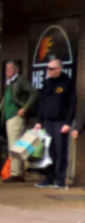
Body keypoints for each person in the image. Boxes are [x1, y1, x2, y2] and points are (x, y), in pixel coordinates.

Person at [0, 60, 39, 183]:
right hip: (9, 118)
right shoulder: (10, 84)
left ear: (17, 70)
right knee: (16, 145)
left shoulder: (20, 81)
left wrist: (25, 108)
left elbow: (34, 92)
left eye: (10, 68)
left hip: (16, 117)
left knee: (15, 146)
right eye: (6, 68)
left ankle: (16, 173)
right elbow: (3, 103)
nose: (7, 70)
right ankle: (19, 172)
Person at [34, 59, 76, 189]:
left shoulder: (67, 83)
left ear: (59, 69)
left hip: (60, 121)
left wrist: (68, 123)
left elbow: (72, 105)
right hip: (47, 121)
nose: (48, 71)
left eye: (51, 69)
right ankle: (49, 177)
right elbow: (42, 103)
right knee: (48, 151)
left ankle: (60, 179)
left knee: (60, 150)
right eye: (47, 68)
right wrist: (39, 121)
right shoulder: (47, 83)